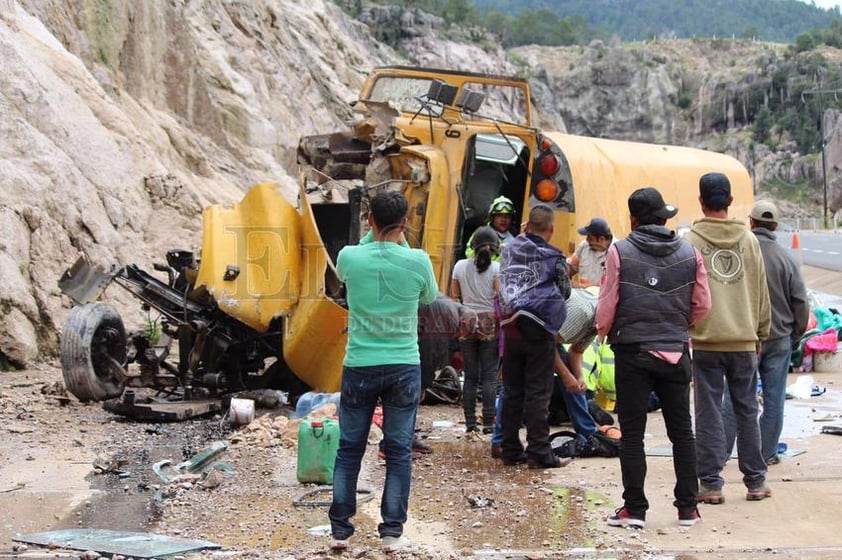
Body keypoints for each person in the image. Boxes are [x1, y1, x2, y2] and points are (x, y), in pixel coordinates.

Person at [329, 190, 438, 553]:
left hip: (359, 365)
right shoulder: (417, 260)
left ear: (369, 219)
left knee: (349, 449)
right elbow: (429, 298)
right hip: (404, 366)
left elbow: (354, 261)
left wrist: (374, 234)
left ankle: (341, 531)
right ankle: (391, 532)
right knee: (398, 450)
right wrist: (398, 240)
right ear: (405, 223)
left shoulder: (350, 257)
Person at [597, 186, 711, 529]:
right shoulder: (691, 254)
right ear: (663, 218)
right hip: (676, 352)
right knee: (682, 432)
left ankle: (635, 509)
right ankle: (687, 508)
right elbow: (703, 304)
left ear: (633, 218)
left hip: (633, 353)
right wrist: (677, 326)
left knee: (633, 434)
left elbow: (606, 305)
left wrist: (604, 331)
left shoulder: (620, 252)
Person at [685, 172, 772, 506]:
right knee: (747, 409)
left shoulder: (691, 242)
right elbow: (760, 292)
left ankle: (711, 484)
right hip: (743, 340)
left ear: (701, 201)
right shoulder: (749, 241)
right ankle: (756, 482)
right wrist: (760, 333)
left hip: (706, 341)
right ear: (731, 202)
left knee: (707, 413)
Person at [721, 200, 809, 465]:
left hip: (745, 337)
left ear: (752, 222)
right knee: (774, 399)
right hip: (779, 337)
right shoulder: (786, 259)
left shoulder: (740, 254)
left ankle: (722, 452)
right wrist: (796, 334)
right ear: (776, 226)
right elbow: (800, 302)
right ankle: (766, 453)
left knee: (735, 396)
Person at [498, 204, 571, 469]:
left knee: (512, 391)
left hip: (510, 326)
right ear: (550, 229)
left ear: (526, 226)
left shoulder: (509, 249)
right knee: (538, 392)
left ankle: (509, 450)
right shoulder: (554, 257)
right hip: (539, 328)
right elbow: (565, 290)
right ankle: (539, 452)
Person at [450, 226, 501, 436]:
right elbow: (500, 297)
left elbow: (453, 298)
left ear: (472, 246)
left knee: (470, 375)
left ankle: (470, 423)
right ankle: (488, 423)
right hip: (489, 322)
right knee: (489, 376)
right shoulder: (497, 268)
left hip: (466, 321)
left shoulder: (460, 266)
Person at [567, 217, 613, 288]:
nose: (587, 240)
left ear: (601, 239)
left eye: (590, 238)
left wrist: (581, 286)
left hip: (602, 297)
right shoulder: (584, 246)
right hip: (582, 296)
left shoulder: (615, 252)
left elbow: (611, 284)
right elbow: (571, 267)